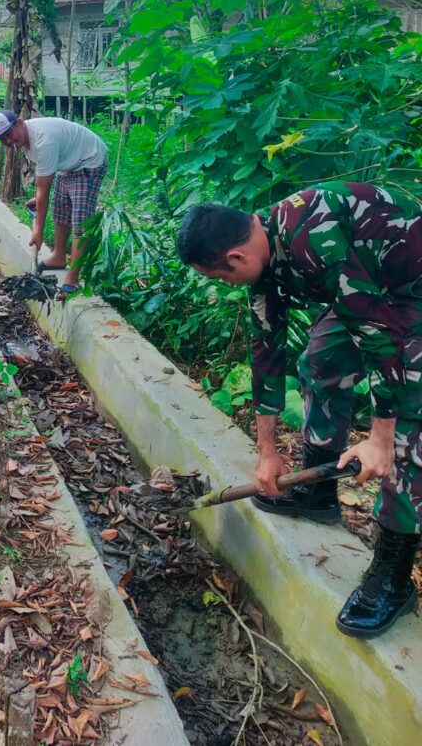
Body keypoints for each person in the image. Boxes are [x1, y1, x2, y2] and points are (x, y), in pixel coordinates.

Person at [178, 182, 422, 639]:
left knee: (407, 426)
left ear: (235, 259)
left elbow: (382, 341)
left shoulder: (314, 239)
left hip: (413, 288)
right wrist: (267, 452)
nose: (225, 284)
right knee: (320, 359)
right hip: (373, 288)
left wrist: (380, 438)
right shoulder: (263, 251)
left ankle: (393, 574)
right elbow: (266, 351)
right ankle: (319, 492)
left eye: (220, 277)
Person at [0, 109, 107, 294]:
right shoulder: (25, 140)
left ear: (19, 122)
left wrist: (38, 231)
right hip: (68, 163)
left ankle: (73, 279)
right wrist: (39, 198)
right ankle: (59, 257)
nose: (8, 141)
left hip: (88, 161)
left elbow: (43, 190)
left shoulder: (43, 140)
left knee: (80, 224)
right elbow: (43, 186)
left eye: (9, 134)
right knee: (60, 210)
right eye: (3, 139)